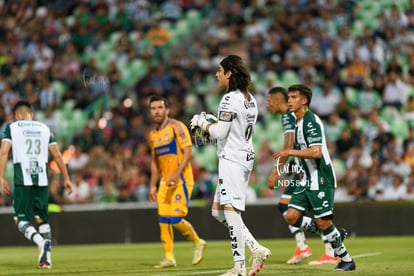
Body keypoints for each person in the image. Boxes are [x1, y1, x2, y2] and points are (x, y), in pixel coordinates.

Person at [191, 54, 271, 276]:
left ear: (229, 73)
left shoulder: (229, 99)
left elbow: (219, 133)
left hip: (232, 159)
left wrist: (203, 122)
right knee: (218, 212)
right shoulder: (250, 99)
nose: (216, 74)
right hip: (243, 156)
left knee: (230, 210)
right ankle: (256, 248)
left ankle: (239, 268)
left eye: (219, 70)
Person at [272, 84, 356, 271]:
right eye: (289, 97)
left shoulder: (310, 121)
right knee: (292, 216)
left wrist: (289, 151)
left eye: (294, 97)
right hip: (305, 179)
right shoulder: (297, 122)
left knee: (323, 221)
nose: (289, 100)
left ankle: (346, 260)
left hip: (321, 178)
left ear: (304, 101)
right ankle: (334, 233)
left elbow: (316, 152)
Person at [0, 100, 73, 269]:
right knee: (41, 218)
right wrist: (67, 178)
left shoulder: (12, 127)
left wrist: (1, 177)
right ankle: (46, 259)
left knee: (20, 219)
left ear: (16, 115)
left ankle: (41, 242)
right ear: (31, 115)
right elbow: (58, 156)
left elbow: (4, 151)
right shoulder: (44, 128)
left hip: (22, 179)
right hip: (41, 180)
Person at [148, 95, 206, 269]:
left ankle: (197, 242)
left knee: (175, 218)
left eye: (159, 107)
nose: (156, 111)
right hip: (165, 183)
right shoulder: (153, 135)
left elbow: (188, 152)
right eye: (153, 108)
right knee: (163, 220)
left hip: (181, 179)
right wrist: (152, 184)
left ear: (167, 110)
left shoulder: (177, 127)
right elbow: (154, 162)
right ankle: (169, 258)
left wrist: (176, 173)